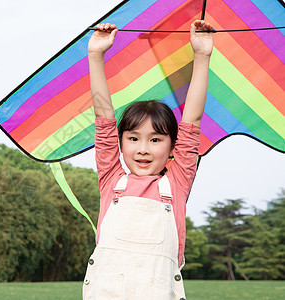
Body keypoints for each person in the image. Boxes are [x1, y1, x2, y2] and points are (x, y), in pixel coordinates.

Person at [83, 20, 214, 299]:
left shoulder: (176, 183)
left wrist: (202, 56)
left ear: (172, 148)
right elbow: (103, 118)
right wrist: (96, 55)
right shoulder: (111, 179)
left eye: (155, 140)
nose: (143, 148)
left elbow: (192, 121)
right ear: (119, 143)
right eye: (133, 138)